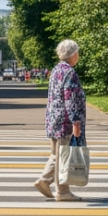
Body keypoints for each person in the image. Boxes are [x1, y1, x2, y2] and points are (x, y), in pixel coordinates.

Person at [34, 39, 86, 202]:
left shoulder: (56, 69)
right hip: (64, 121)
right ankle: (60, 190)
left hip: (53, 119)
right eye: (77, 52)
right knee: (63, 155)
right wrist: (75, 121)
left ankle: (48, 181)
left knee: (57, 154)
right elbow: (70, 98)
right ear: (73, 54)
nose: (78, 55)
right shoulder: (69, 72)